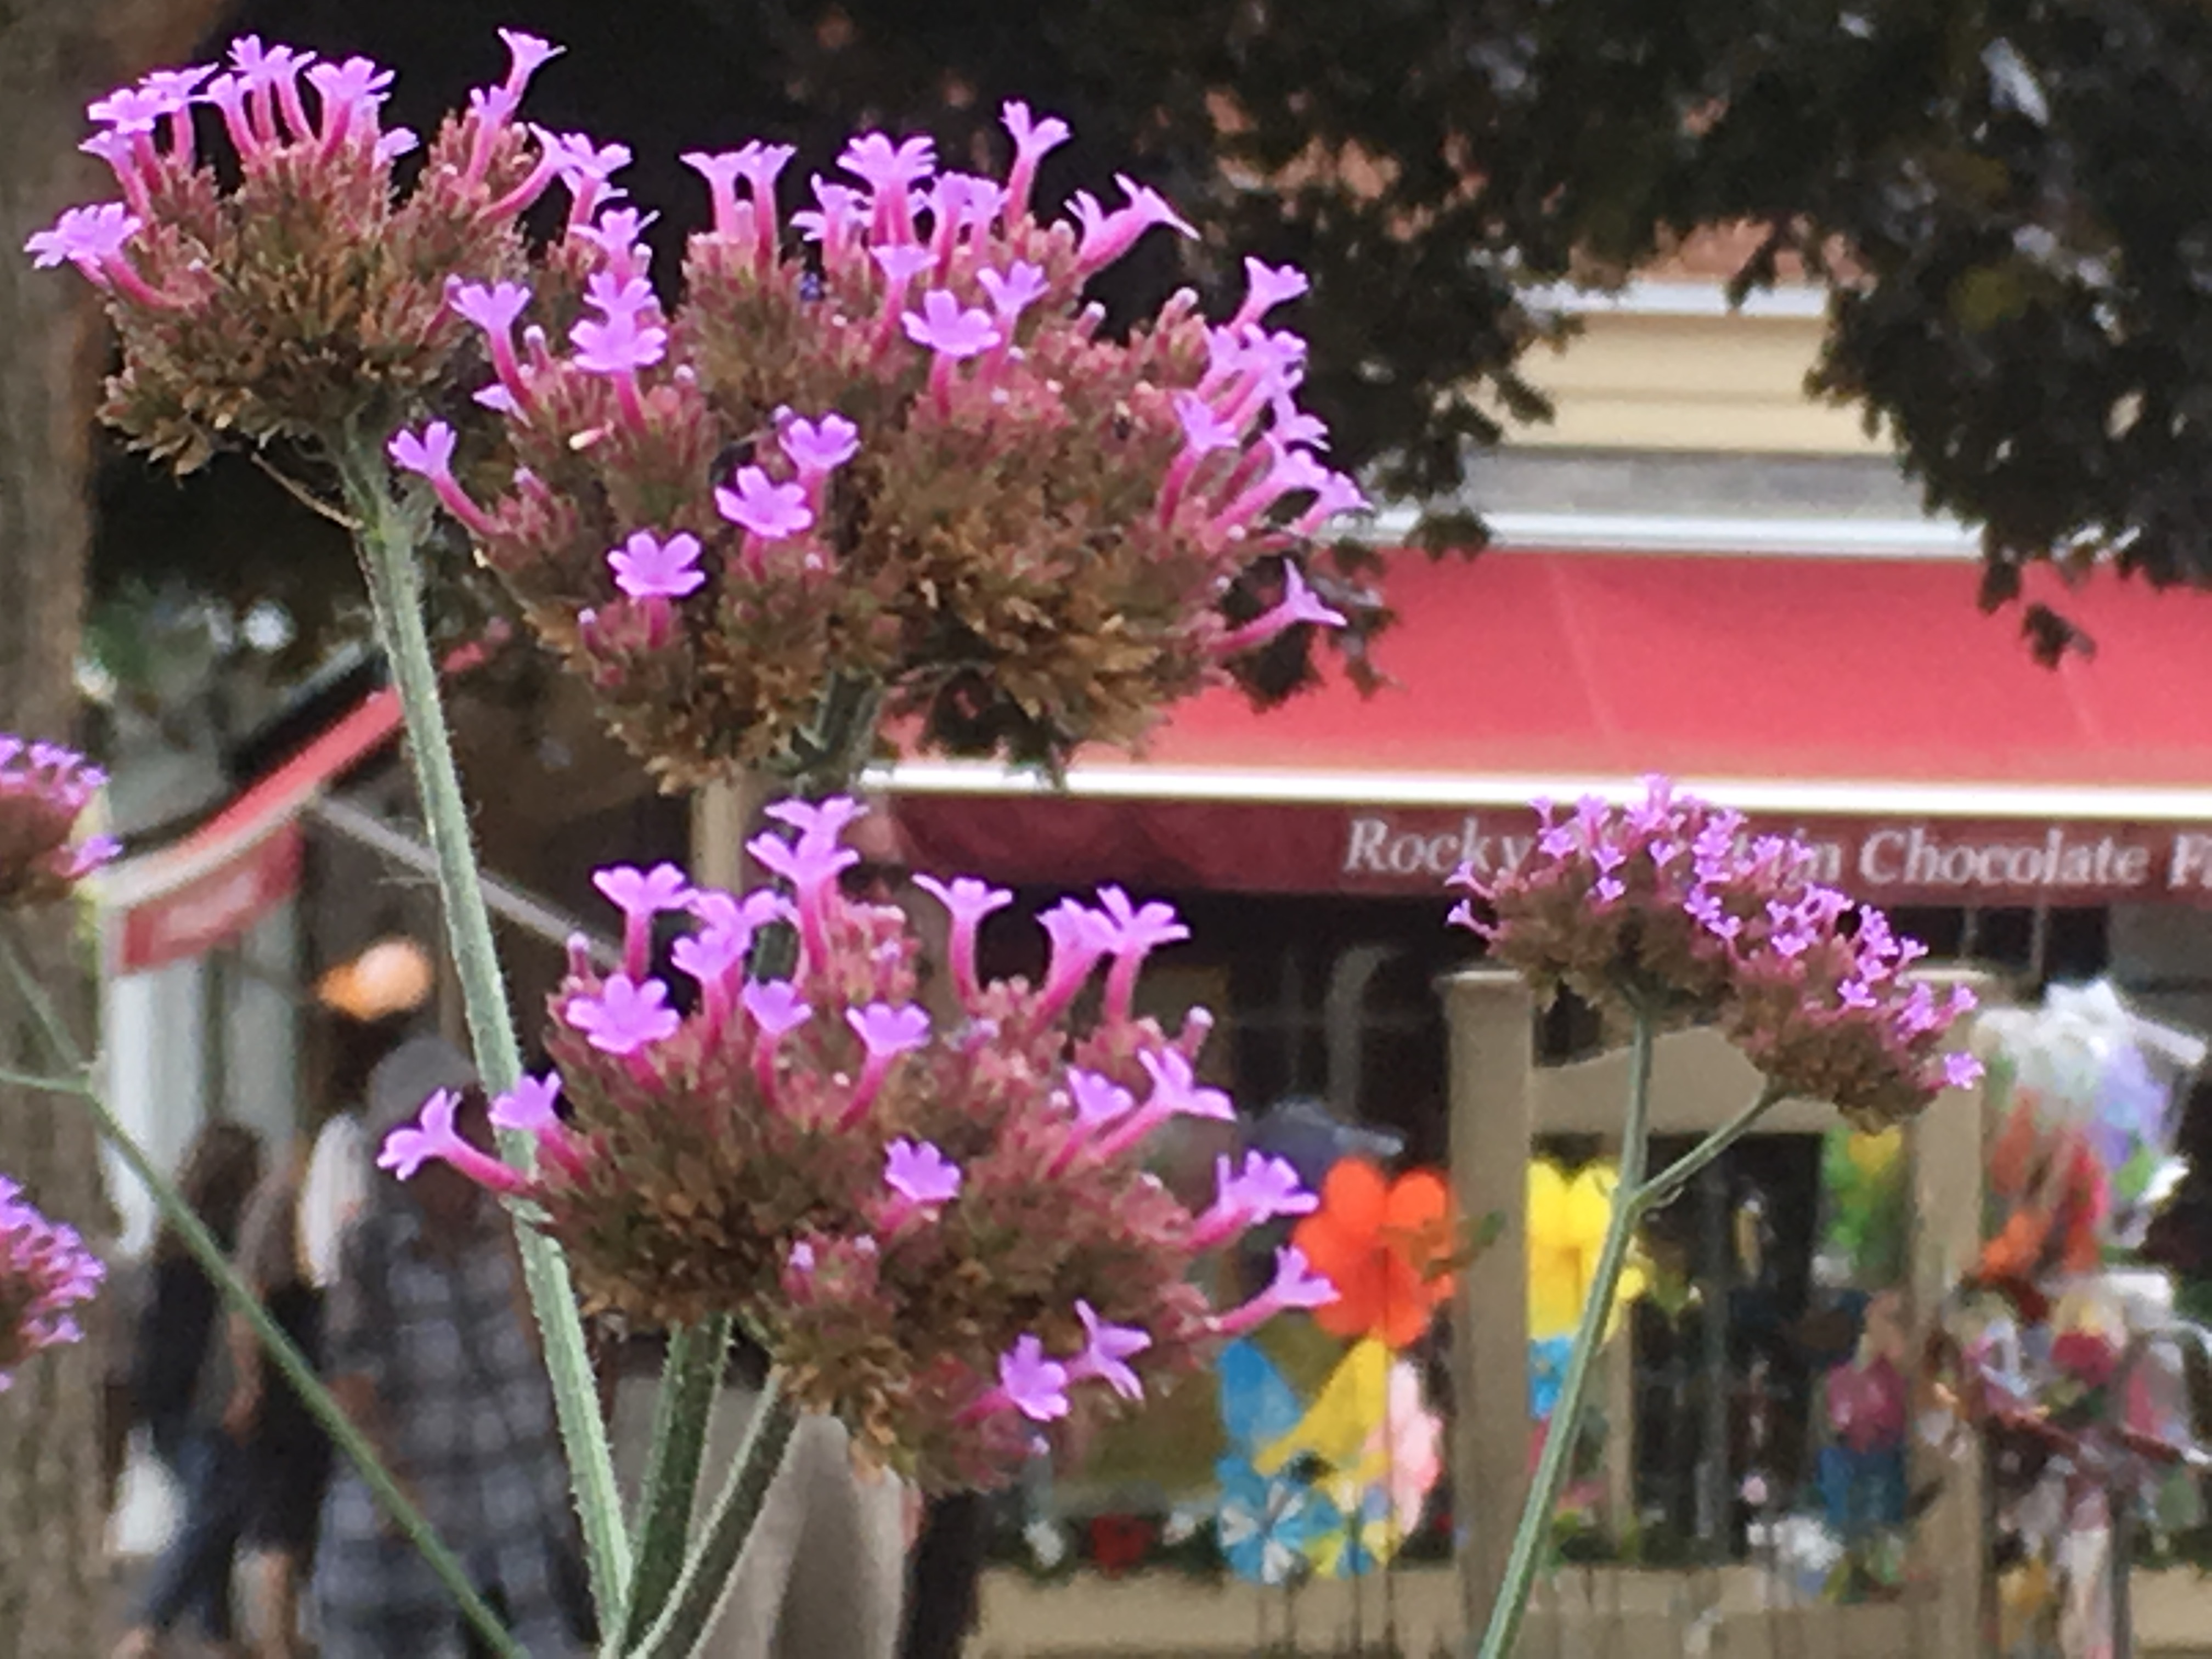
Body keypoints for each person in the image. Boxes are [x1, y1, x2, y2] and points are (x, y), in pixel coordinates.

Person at [313, 1037, 584, 1658]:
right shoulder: (371, 1247)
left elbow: (543, 1349)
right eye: (454, 1125)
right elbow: (349, 1374)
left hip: (516, 1516)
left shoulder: (513, 1227)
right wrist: (392, 1483)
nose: (476, 1143)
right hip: (414, 1529)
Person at [113, 1120, 266, 1659]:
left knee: (216, 1505)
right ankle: (147, 1626)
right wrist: (243, 1388)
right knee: (211, 1508)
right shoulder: (219, 1243)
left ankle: (216, 1630)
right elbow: (229, 1326)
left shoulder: (174, 1236)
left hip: (162, 1392)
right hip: (201, 1395)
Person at [230, 1136, 334, 1658]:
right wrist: (249, 1384)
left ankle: (286, 1634)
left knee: (290, 1517)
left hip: (295, 1375)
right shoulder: (279, 1205)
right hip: (284, 1377)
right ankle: (275, 1639)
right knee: (280, 1521)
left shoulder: (288, 1203)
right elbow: (248, 1299)